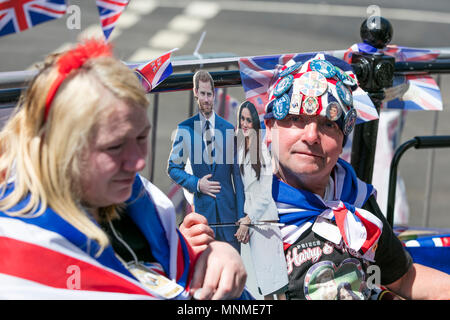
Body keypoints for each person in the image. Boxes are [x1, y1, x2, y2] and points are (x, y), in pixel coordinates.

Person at [0, 39, 248, 300]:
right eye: (115, 147)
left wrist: (215, 256)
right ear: (62, 150)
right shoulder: (26, 254)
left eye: (142, 138)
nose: (138, 162)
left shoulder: (137, 201)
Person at [263, 53, 450, 300]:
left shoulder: (354, 196)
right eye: (296, 118)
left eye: (328, 124)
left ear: (342, 141)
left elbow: (404, 278)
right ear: (269, 129)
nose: (311, 136)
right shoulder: (241, 204)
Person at [167, 70, 245, 253]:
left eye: (209, 94)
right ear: (196, 93)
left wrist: (242, 216)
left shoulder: (228, 128)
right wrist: (197, 184)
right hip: (203, 218)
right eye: (202, 94)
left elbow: (238, 178)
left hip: (229, 218)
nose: (207, 99)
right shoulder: (185, 129)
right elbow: (173, 168)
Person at [234, 101, 288, 300]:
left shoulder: (262, 151)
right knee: (264, 286)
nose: (245, 124)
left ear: (255, 123)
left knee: (277, 286)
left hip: (265, 222)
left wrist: (249, 219)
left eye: (249, 120)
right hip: (251, 223)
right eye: (242, 119)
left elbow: (266, 194)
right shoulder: (239, 149)